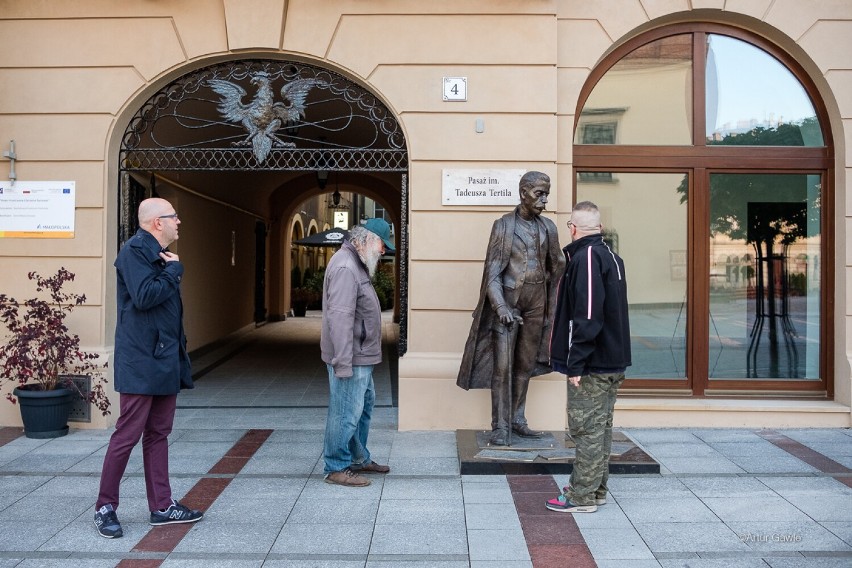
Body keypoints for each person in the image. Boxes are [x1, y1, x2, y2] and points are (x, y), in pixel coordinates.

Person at [94, 198, 202, 538]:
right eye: (174, 217)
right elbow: (143, 295)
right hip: (141, 360)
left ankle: (162, 506)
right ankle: (105, 507)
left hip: (164, 358)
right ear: (158, 222)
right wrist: (174, 271)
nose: (179, 222)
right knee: (127, 434)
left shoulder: (155, 252)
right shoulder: (134, 251)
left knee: (158, 434)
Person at [457, 171, 566, 446]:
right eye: (539, 194)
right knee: (503, 368)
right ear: (523, 193)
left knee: (525, 365)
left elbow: (557, 265)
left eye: (546, 194)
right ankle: (499, 426)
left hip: (536, 305)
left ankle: (517, 420)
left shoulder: (549, 228)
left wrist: (551, 308)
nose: (544, 200)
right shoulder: (503, 226)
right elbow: (492, 273)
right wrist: (501, 306)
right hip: (508, 306)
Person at [545, 201, 631, 513]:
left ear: (572, 228)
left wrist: (576, 363)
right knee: (600, 429)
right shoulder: (610, 255)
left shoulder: (589, 257)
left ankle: (581, 496)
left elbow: (589, 315)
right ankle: (596, 490)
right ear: (600, 228)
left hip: (593, 364)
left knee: (586, 430)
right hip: (610, 361)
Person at [321, 218, 394, 487]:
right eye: (381, 244)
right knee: (345, 411)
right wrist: (342, 363)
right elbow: (339, 318)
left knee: (361, 408)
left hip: (361, 355)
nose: (384, 250)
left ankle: (358, 458)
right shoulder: (345, 267)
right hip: (351, 357)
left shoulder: (356, 263)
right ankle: (336, 466)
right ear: (363, 240)